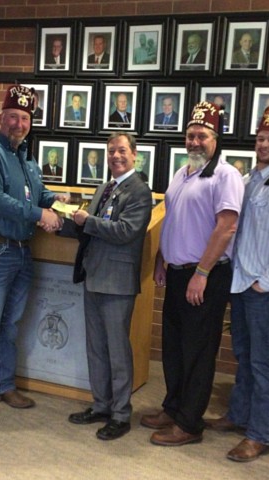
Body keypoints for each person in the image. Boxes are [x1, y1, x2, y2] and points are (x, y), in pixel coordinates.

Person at [141, 101, 244, 446]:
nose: (195, 141)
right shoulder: (182, 172)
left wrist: (201, 271)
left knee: (198, 351)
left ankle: (189, 424)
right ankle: (173, 407)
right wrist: (161, 257)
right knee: (174, 346)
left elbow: (226, 227)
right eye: (191, 135)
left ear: (216, 140)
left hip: (206, 276)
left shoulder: (225, 176)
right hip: (177, 273)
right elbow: (172, 219)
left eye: (202, 136)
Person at [205, 105, 269, 463]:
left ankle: (260, 434)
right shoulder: (250, 181)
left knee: (262, 363)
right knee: (243, 357)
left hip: (263, 289)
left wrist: (266, 282)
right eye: (261, 138)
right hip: (241, 284)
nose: (264, 144)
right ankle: (238, 415)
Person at [0, 84, 66, 420]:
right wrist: (39, 214)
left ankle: (2, 384)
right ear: (0, 118)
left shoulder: (24, 155)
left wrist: (57, 202)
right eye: (12, 117)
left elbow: (35, 192)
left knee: (10, 324)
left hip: (21, 251)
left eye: (24, 118)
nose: (18, 123)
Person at [68, 132, 153, 441]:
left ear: (134, 155)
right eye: (111, 152)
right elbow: (90, 227)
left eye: (121, 151)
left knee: (117, 351)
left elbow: (125, 232)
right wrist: (66, 218)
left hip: (117, 283)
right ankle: (100, 405)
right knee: (96, 347)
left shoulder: (140, 192)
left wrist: (84, 220)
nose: (115, 156)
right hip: (93, 275)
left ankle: (120, 414)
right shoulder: (103, 187)